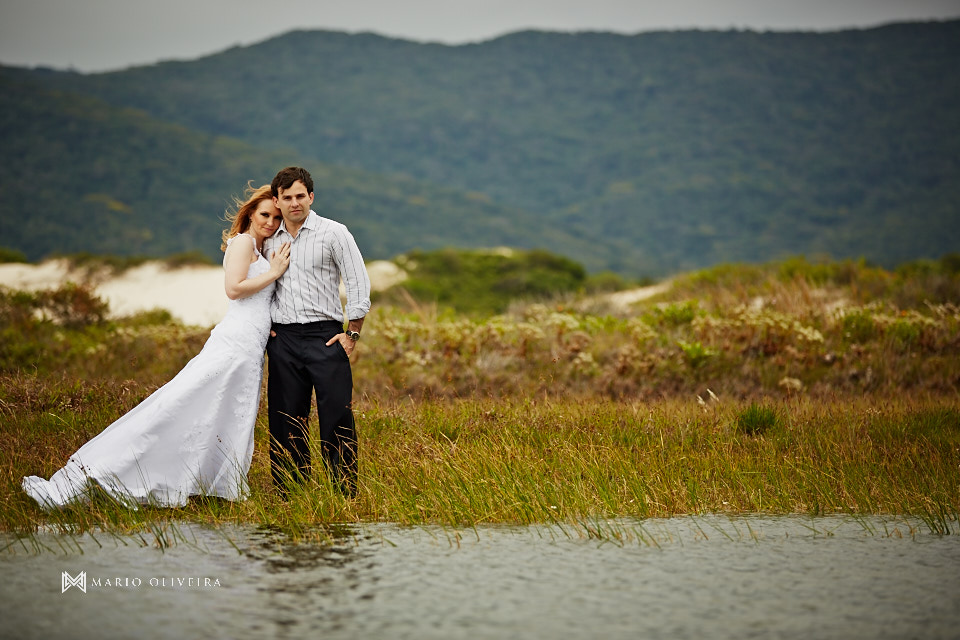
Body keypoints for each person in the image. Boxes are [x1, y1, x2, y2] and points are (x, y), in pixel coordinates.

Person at [22, 184, 291, 509]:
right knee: (183, 406)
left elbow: (261, 301)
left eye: (276, 217)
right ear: (250, 213)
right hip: (233, 345)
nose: (271, 222)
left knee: (223, 414)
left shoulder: (261, 249)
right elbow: (234, 289)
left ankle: (210, 484)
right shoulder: (244, 243)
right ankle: (114, 469)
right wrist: (274, 272)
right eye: (265, 214)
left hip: (251, 348)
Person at [264, 166, 371, 497]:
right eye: (287, 198)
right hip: (282, 340)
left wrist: (351, 334)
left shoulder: (334, 233)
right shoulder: (268, 238)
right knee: (286, 420)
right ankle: (291, 496)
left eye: (300, 196)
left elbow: (358, 283)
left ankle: (344, 495)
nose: (294, 203)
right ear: (277, 201)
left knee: (337, 417)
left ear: (311, 197)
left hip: (326, 337)